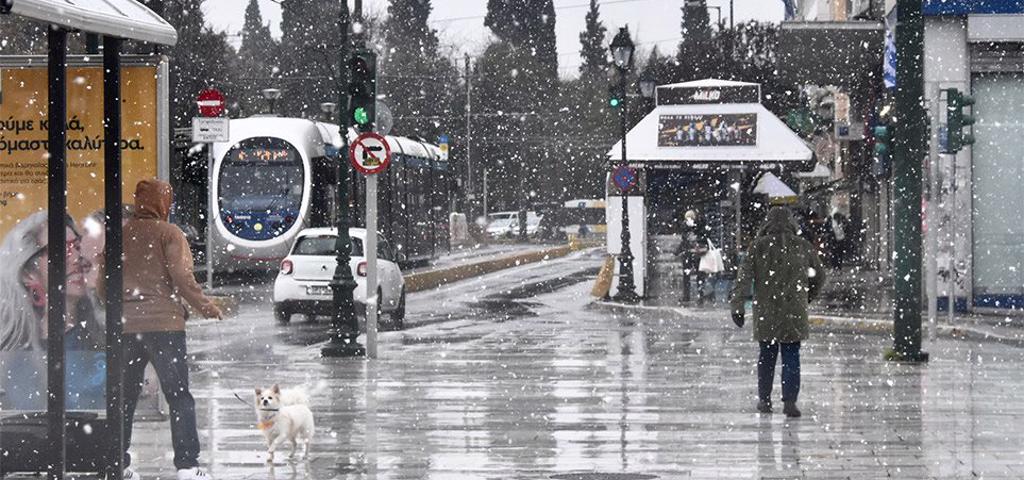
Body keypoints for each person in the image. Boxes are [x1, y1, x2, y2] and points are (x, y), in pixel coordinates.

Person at [119, 179, 222, 480]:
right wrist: (207, 307)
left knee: (123, 398)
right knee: (178, 396)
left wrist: (124, 305)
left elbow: (102, 281)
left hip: (127, 326)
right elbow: (182, 277)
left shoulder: (120, 234)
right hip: (165, 325)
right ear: (164, 203)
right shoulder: (169, 233)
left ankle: (119, 461)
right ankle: (187, 466)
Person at [0, 212, 105, 409]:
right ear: (28, 273)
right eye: (62, 249)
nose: (77, 258)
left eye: (77, 246)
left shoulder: (104, 335)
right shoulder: (12, 356)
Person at [730, 207, 826, 418]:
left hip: (767, 310)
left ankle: (764, 400)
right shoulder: (803, 246)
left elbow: (743, 279)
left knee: (767, 355)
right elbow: (820, 275)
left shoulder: (758, 247)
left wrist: (737, 307)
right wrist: (807, 296)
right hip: (794, 310)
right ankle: (790, 401)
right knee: (792, 355)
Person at [674, 209, 709, 304]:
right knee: (699, 275)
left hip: (689, 254)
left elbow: (684, 241)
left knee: (687, 276)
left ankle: (688, 296)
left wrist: (678, 251)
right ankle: (700, 295)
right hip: (697, 254)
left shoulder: (686, 227)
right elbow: (704, 238)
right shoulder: (700, 226)